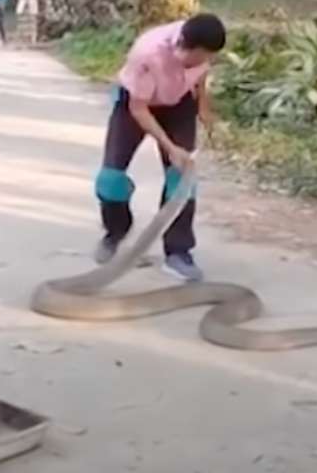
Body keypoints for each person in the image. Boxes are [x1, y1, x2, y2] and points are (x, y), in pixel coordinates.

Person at [93, 14, 227, 282]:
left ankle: (178, 252)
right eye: (201, 57)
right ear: (186, 48)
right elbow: (139, 110)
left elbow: (200, 74)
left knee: (182, 179)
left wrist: (202, 105)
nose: (205, 62)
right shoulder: (147, 54)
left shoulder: (200, 40)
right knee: (110, 179)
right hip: (135, 106)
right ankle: (116, 230)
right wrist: (169, 147)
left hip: (178, 105)